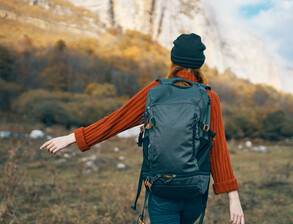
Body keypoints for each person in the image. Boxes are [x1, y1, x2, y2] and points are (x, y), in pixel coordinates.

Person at [40, 33, 245, 224]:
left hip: (160, 189)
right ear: (200, 64)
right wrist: (232, 196)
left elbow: (116, 121)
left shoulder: (155, 91)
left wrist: (74, 137)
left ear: (173, 61)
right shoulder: (210, 98)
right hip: (194, 191)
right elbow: (218, 149)